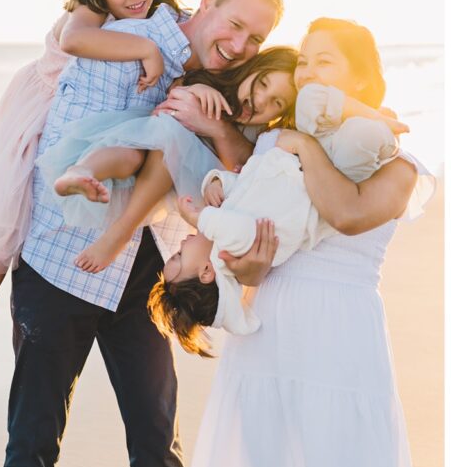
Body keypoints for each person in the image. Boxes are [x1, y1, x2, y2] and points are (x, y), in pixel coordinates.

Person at [0, 0, 283, 467]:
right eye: (235, 24)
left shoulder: (244, 87)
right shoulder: (134, 29)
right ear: (207, 1)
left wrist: (216, 126)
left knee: (157, 445)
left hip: (152, 272)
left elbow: (252, 172)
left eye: (256, 38)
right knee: (31, 447)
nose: (240, 45)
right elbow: (69, 74)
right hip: (60, 260)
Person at [176, 18, 434, 467]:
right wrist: (248, 265)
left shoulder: (397, 160)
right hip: (270, 327)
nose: (308, 70)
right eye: (304, 59)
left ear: (359, 80)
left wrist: (307, 146)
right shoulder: (274, 146)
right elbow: (254, 241)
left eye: (325, 61)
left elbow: (348, 213)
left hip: (341, 331)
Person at [0, 0, 186, 390]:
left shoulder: (151, 9)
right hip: (40, 110)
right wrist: (147, 49)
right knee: (6, 216)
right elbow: (78, 42)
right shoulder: (89, 9)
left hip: (85, 120)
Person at [147, 74, 405, 352]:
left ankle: (374, 119)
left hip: (301, 162)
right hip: (327, 179)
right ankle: (387, 137)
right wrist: (200, 219)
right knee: (361, 138)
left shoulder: (224, 220)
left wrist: (217, 182)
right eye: (178, 255)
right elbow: (243, 228)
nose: (182, 243)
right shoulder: (232, 249)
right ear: (207, 272)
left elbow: (248, 183)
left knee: (311, 98)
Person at [39, 46, 298, 272]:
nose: (260, 100)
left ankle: (121, 229)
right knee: (130, 152)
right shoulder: (212, 85)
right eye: (263, 83)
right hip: (151, 156)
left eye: (276, 102)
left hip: (199, 190)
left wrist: (216, 127)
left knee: (170, 135)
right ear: (252, 69)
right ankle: (81, 170)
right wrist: (195, 89)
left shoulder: (262, 137)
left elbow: (242, 167)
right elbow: (178, 91)